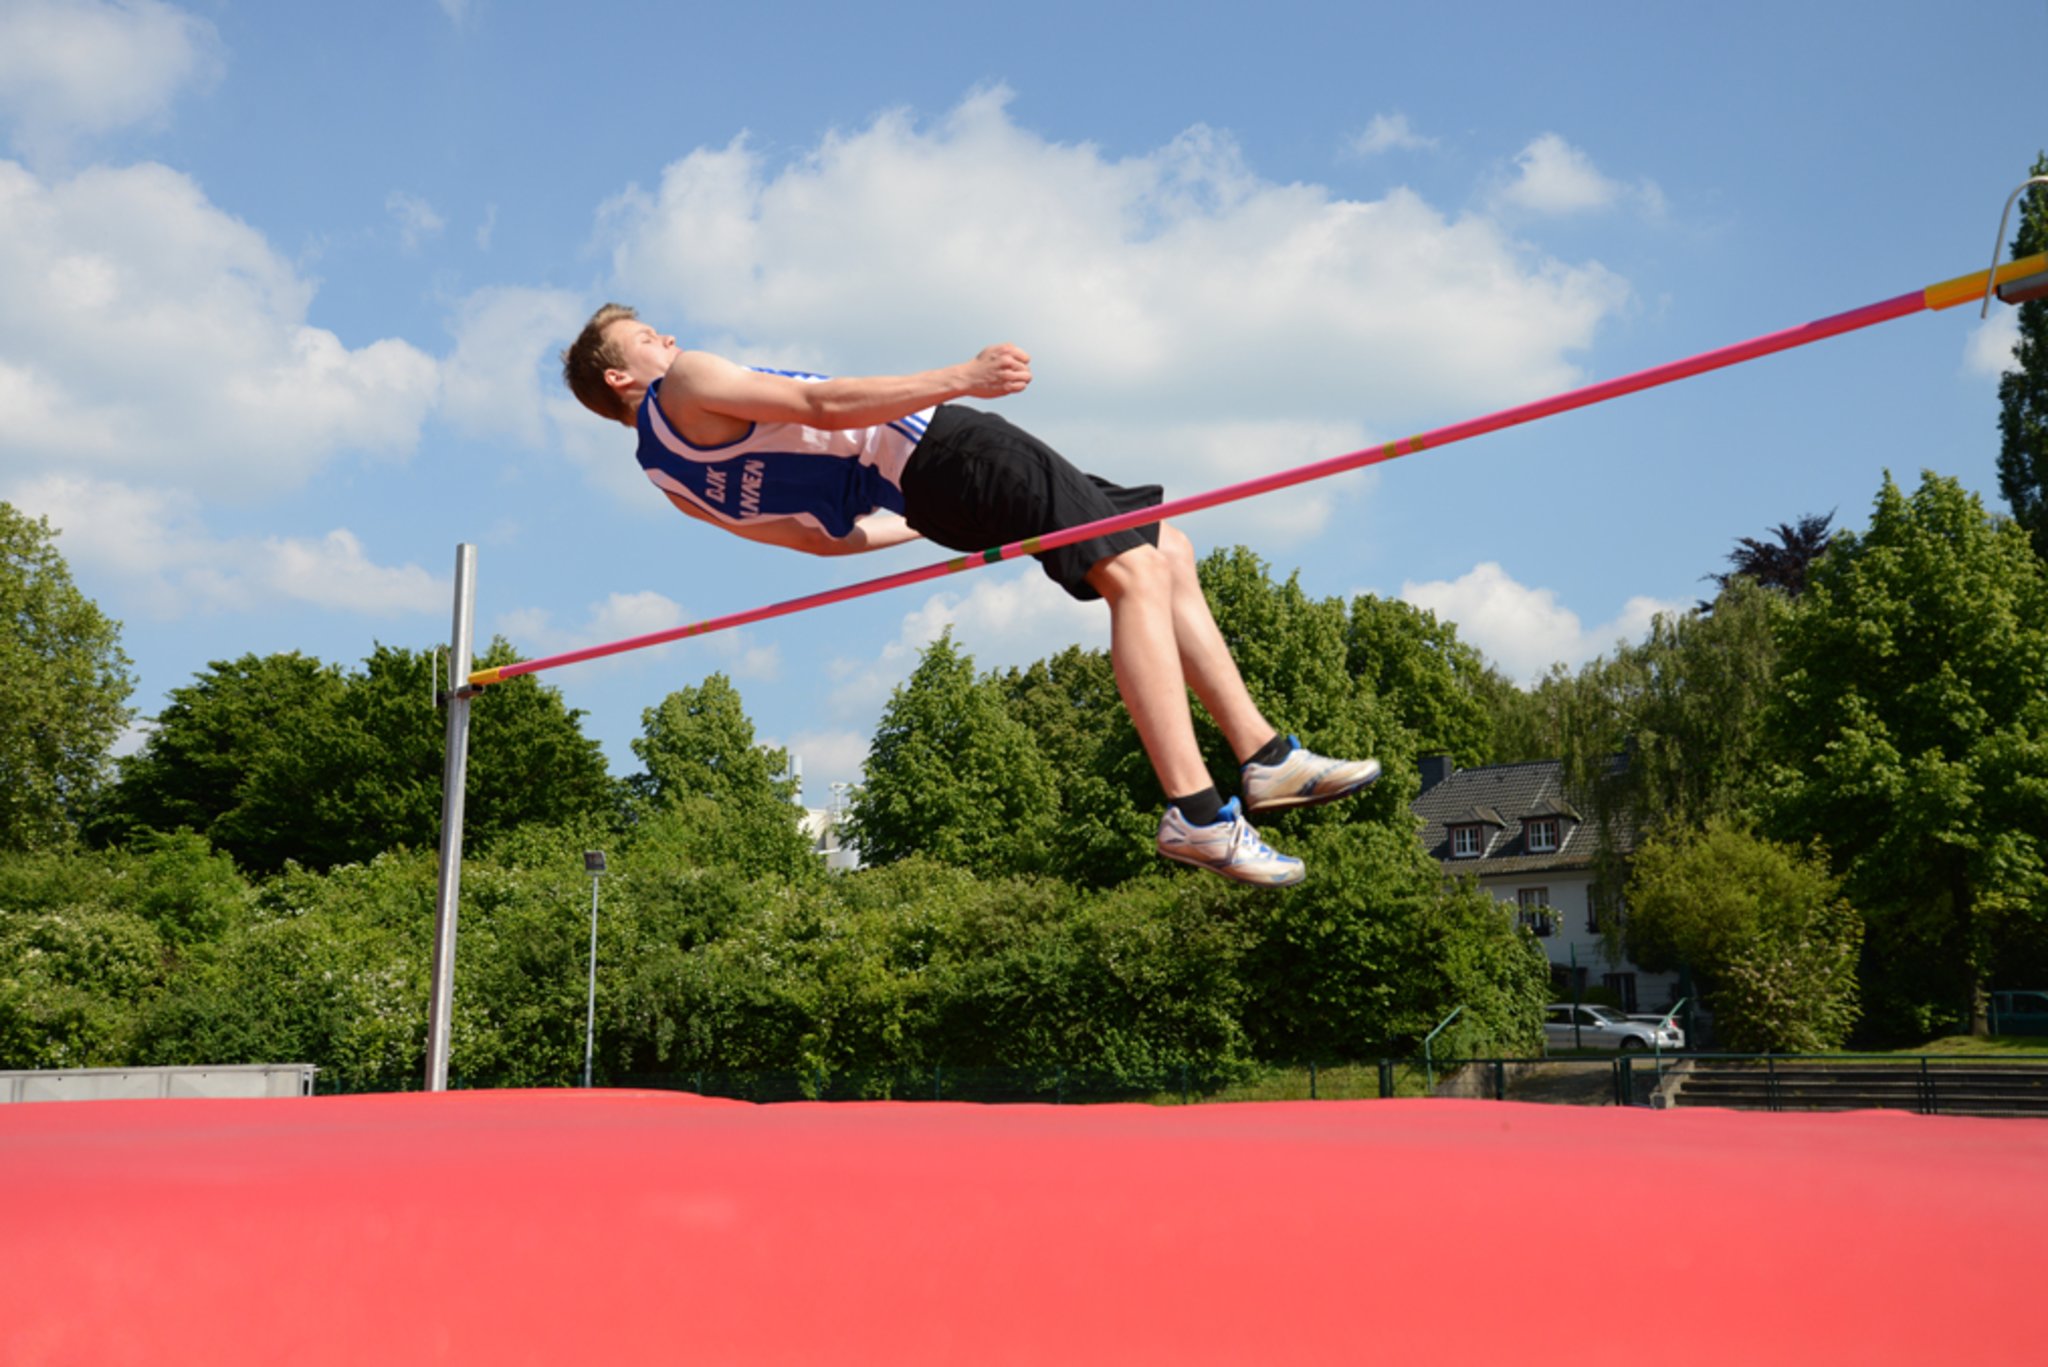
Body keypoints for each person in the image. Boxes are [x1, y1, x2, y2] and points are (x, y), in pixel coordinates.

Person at [561, 304, 1381, 885]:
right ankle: (1197, 812)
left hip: (932, 490)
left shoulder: (670, 478)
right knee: (1130, 575)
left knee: (1167, 547)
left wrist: (931, 524)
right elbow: (821, 400)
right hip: (945, 451)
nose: (667, 336)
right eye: (645, 336)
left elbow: (821, 538)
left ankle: (1266, 759)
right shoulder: (688, 380)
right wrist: (964, 375)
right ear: (619, 374)